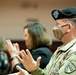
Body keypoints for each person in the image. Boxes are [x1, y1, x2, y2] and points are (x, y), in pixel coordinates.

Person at [16, 7, 76, 75]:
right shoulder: (61, 49)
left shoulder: (74, 52)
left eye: (58, 24)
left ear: (69, 27)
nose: (54, 28)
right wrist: (35, 70)